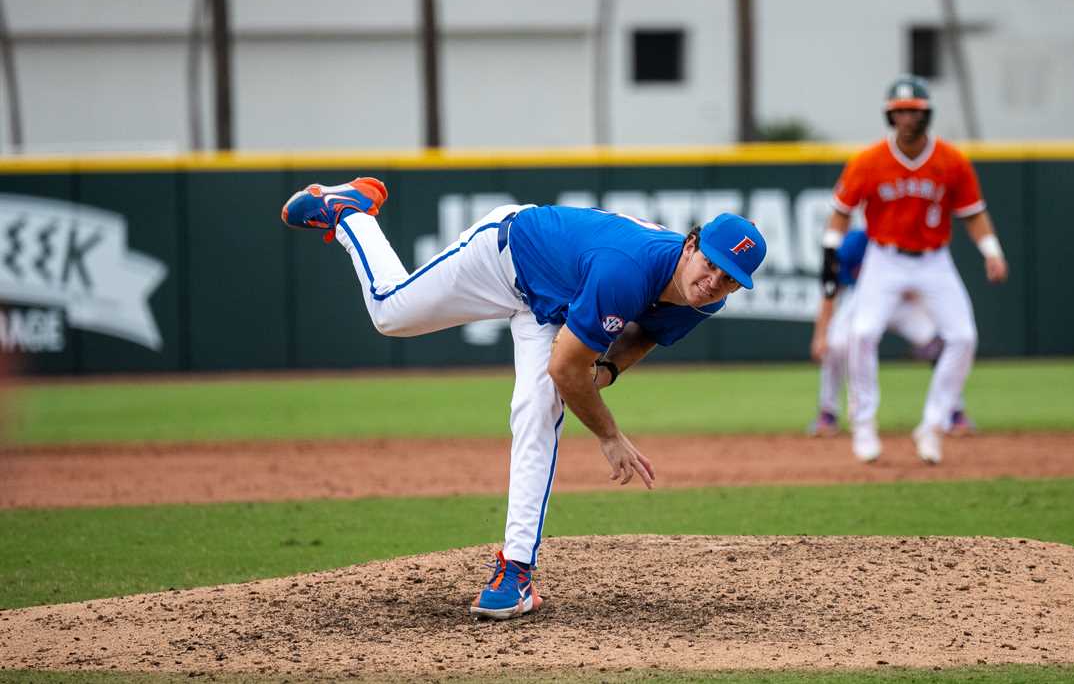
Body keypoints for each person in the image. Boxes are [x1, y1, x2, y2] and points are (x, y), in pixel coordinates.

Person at [281, 178, 766, 619]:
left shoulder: (705, 298)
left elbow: (647, 333)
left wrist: (609, 369)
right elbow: (564, 368)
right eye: (711, 265)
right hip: (505, 256)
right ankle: (352, 213)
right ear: (691, 245)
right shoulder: (627, 271)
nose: (713, 283)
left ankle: (514, 574)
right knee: (390, 313)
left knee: (537, 409)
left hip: (556, 303)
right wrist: (610, 435)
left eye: (729, 279)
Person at [820, 75, 1007, 465]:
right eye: (901, 111)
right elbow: (840, 213)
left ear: (927, 115)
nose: (907, 117)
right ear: (890, 115)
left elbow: (973, 214)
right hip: (884, 259)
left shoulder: (951, 160)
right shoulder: (869, 161)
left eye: (915, 111)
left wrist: (991, 251)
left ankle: (933, 425)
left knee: (963, 337)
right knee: (862, 333)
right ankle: (864, 423)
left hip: (934, 260)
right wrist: (830, 252)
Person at [807, 228, 974, 461]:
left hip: (906, 305)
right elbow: (831, 289)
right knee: (835, 344)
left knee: (943, 343)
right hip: (867, 300)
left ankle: (953, 411)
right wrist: (820, 334)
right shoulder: (856, 242)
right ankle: (828, 412)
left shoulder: (916, 237)